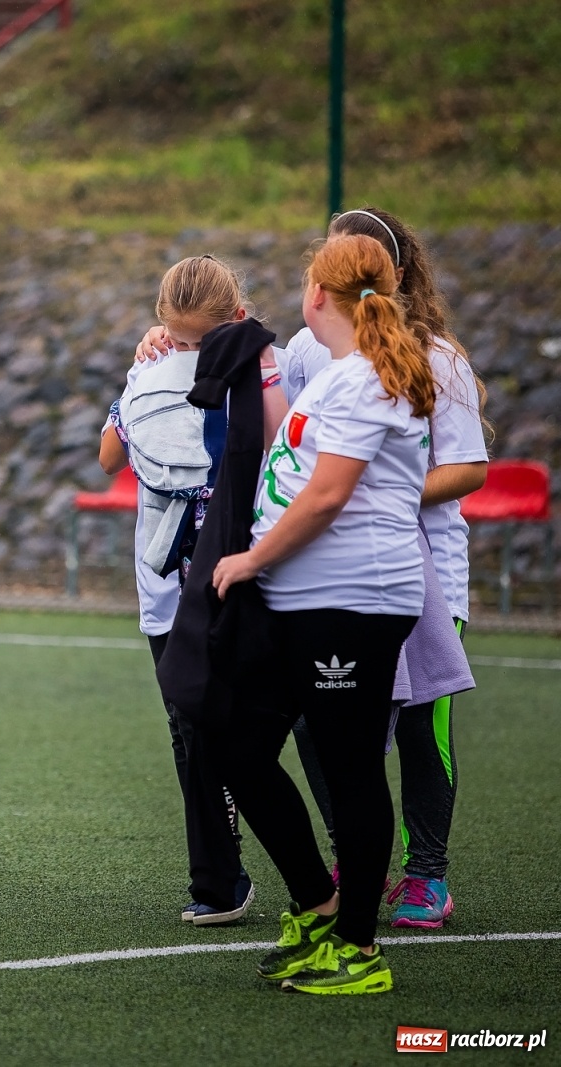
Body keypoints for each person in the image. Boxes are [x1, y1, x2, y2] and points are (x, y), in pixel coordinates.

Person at [213, 233, 435, 995]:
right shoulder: (339, 373)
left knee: (349, 773)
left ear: (317, 296)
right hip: (300, 600)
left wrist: (251, 557)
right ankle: (319, 906)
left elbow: (330, 493)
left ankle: (359, 949)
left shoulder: (373, 376)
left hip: (354, 601)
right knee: (235, 748)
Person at [283, 209, 488, 929]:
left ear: (394, 272)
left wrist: (374, 488)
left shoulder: (438, 358)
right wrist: (166, 343)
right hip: (340, 575)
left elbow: (465, 469)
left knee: (420, 728)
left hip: (428, 571)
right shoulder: (309, 350)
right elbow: (274, 412)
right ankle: (352, 853)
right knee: (323, 722)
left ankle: (427, 872)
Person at [100, 254, 287, 926]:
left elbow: (283, 448)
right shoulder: (151, 366)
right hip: (168, 588)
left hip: (248, 573)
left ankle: (328, 868)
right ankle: (218, 877)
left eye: (200, 341)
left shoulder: (270, 364)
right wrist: (149, 376)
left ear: (236, 319)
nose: (186, 352)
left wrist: (241, 374)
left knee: (270, 726)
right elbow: (110, 455)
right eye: (175, 337)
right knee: (188, 728)